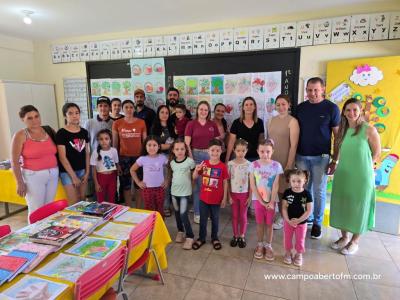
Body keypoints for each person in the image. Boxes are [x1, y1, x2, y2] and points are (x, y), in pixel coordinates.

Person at [329, 98, 381, 255]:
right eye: (348, 110)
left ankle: (355, 241)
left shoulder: (369, 130)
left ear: (361, 112)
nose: (351, 113)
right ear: (343, 112)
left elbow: (377, 153)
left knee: (359, 207)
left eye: (355, 110)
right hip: (344, 174)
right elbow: (337, 150)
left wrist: (367, 167)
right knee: (343, 205)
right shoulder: (342, 130)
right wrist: (334, 162)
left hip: (362, 176)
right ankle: (344, 238)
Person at [295, 77, 340, 239]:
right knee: (304, 190)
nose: (312, 93)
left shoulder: (331, 108)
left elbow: (338, 136)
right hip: (301, 156)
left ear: (323, 90)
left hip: (321, 157)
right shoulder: (300, 108)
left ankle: (317, 224)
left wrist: (335, 159)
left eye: (315, 90)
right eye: (309, 90)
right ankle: (307, 217)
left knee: (319, 190)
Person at [11, 105, 59, 218]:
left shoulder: (48, 130)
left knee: (49, 208)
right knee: (36, 210)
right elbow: (14, 161)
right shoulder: (20, 135)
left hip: (53, 174)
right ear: (23, 120)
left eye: (36, 116)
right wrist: (19, 182)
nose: (34, 120)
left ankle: (47, 234)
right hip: (33, 176)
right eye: (30, 118)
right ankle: (34, 233)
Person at [267, 95, 299, 230]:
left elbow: (294, 145)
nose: (281, 107)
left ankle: (283, 216)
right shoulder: (270, 120)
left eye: (284, 104)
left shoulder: (292, 121)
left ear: (289, 105)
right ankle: (276, 214)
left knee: (284, 191)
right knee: (273, 189)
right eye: (278, 104)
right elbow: (269, 142)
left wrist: (289, 165)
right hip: (272, 161)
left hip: (285, 160)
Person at [184, 101, 220, 223]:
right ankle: (198, 213)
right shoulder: (191, 124)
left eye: (206, 110)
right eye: (201, 109)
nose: (203, 112)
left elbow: (216, 142)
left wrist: (215, 157)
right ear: (197, 110)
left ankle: (206, 211)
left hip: (210, 156)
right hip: (196, 156)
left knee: (209, 185)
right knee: (199, 186)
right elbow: (187, 143)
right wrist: (191, 158)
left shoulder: (212, 124)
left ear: (208, 112)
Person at [192, 139, 229, 251]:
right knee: (203, 219)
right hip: (203, 198)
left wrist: (224, 198)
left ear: (221, 151)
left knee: (215, 219)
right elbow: (194, 177)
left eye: (217, 150)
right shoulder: (204, 164)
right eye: (212, 150)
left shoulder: (223, 166)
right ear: (208, 151)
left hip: (216, 200)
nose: (214, 153)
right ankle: (201, 238)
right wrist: (196, 170)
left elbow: (225, 182)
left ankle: (215, 238)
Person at [249, 139, 283, 261]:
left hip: (271, 201)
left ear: (272, 151)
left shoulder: (277, 166)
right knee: (259, 224)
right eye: (262, 151)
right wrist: (262, 201)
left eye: (268, 152)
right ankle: (259, 244)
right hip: (258, 200)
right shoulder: (253, 165)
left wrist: (271, 202)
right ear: (258, 151)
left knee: (269, 224)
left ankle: (268, 245)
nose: (265, 154)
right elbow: (252, 185)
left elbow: (276, 185)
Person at [112, 99, 147, 207]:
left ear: (134, 109)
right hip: (123, 158)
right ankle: (128, 208)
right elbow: (114, 144)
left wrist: (145, 159)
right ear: (122, 109)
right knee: (125, 186)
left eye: (131, 107)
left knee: (139, 185)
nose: (129, 109)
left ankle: (138, 208)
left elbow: (145, 142)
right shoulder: (117, 123)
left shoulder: (141, 122)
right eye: (126, 107)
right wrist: (116, 163)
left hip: (139, 158)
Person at [56, 103, 90, 205]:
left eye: (77, 113)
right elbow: (62, 157)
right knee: (74, 201)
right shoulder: (61, 133)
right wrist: (73, 177)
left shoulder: (84, 132)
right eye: (70, 113)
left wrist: (87, 172)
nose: (74, 116)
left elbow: (87, 153)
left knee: (82, 199)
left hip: (82, 170)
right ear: (65, 116)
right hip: (67, 173)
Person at [168, 139, 196, 250]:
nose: (180, 151)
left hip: (185, 193)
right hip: (174, 192)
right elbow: (171, 176)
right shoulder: (172, 163)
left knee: (184, 214)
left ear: (186, 150)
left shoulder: (190, 161)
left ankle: (190, 236)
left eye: (182, 149)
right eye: (177, 149)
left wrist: (192, 187)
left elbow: (194, 175)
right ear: (173, 151)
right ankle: (180, 231)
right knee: (177, 214)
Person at [130, 136, 168, 217]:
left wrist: (167, 180)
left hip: (160, 188)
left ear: (159, 147)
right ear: (145, 146)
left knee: (160, 210)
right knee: (149, 211)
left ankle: (160, 228)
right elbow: (132, 170)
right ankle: (150, 228)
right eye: (149, 145)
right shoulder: (142, 159)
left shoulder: (163, 158)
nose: (152, 147)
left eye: (154, 145)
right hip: (147, 189)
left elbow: (171, 168)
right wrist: (138, 182)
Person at [282, 169, 313, 266]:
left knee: (300, 239)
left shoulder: (307, 194)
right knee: (287, 238)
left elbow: (309, 210)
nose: (296, 184)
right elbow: (283, 208)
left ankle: (299, 255)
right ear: (289, 181)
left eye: (299, 181)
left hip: (302, 223)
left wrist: (299, 220)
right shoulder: (287, 192)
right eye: (293, 181)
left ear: (305, 181)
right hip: (288, 222)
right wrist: (288, 220)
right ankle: (288, 253)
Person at [150, 104, 177, 216]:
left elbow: (176, 142)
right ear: (158, 114)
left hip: (173, 158)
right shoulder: (154, 127)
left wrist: (168, 146)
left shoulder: (172, 126)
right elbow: (152, 145)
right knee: (163, 183)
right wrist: (166, 146)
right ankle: (164, 206)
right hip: (159, 159)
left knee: (170, 182)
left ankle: (169, 204)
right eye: (162, 112)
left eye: (167, 112)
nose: (165, 114)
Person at [225, 96, 265, 163]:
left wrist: (263, 156)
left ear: (254, 107)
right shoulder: (236, 123)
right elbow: (231, 142)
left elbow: (261, 141)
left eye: (251, 104)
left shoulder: (259, 122)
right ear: (243, 108)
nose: (249, 107)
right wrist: (227, 159)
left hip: (255, 158)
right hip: (239, 158)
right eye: (246, 105)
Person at [228, 139, 251, 248]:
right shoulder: (230, 164)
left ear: (246, 151)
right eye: (238, 151)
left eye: (243, 151)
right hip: (233, 194)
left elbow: (252, 182)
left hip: (244, 194)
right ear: (234, 150)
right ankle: (235, 235)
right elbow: (227, 181)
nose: (240, 153)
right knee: (235, 215)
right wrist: (228, 195)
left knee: (243, 215)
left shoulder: (249, 165)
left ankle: (242, 235)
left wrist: (250, 196)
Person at [90, 129, 120, 203]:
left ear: (110, 140)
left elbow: (116, 164)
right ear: (98, 140)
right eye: (101, 139)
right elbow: (93, 169)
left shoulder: (114, 150)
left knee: (112, 198)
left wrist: (118, 171)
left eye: (106, 139)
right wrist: (96, 184)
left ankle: (112, 213)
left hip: (112, 177)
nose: (104, 141)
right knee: (101, 199)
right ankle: (101, 214)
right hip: (101, 178)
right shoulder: (95, 152)